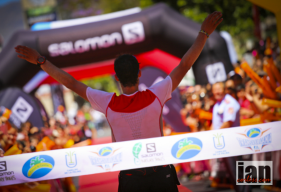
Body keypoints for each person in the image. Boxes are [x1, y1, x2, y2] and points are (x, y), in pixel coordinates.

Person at [15, 11, 223, 192]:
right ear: (139, 74)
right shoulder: (156, 95)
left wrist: (41, 60)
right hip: (162, 174)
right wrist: (203, 33)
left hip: (130, 179)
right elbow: (185, 64)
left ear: (116, 77)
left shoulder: (107, 103)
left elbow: (70, 82)